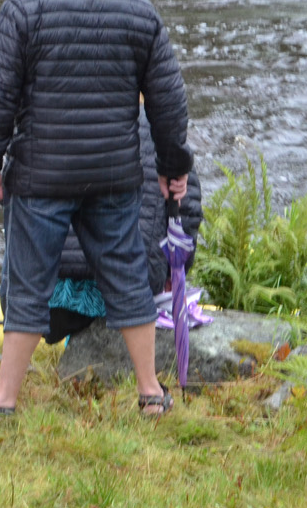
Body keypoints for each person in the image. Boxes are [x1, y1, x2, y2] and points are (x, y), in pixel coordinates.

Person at [0, 0, 193, 419]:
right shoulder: (138, 9)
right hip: (114, 174)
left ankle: (3, 397)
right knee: (127, 276)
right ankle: (150, 392)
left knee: (28, 281)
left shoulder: (23, 5)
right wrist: (172, 168)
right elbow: (168, 101)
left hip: (40, 174)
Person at [45, 111, 203, 345]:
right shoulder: (165, 137)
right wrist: (173, 275)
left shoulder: (62, 119)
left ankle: (74, 347)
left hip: (57, 287)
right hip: (133, 284)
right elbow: (186, 215)